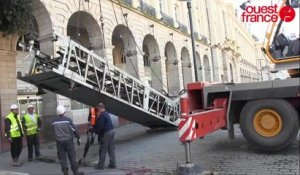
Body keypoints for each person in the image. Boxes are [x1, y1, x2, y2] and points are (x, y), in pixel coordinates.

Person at [52, 105, 84, 175]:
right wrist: (78, 137)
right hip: (68, 141)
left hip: (59, 142)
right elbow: (74, 130)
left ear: (57, 112)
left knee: (62, 159)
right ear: (64, 112)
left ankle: (65, 173)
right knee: (72, 157)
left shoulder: (54, 121)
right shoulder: (68, 120)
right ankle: (76, 172)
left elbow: (53, 131)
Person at [94, 103, 116, 169]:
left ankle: (101, 165)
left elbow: (100, 127)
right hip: (112, 131)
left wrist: (96, 132)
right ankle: (113, 164)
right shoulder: (106, 113)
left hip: (106, 133)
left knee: (103, 149)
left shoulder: (102, 115)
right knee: (111, 148)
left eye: (98, 109)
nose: (97, 110)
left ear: (100, 108)